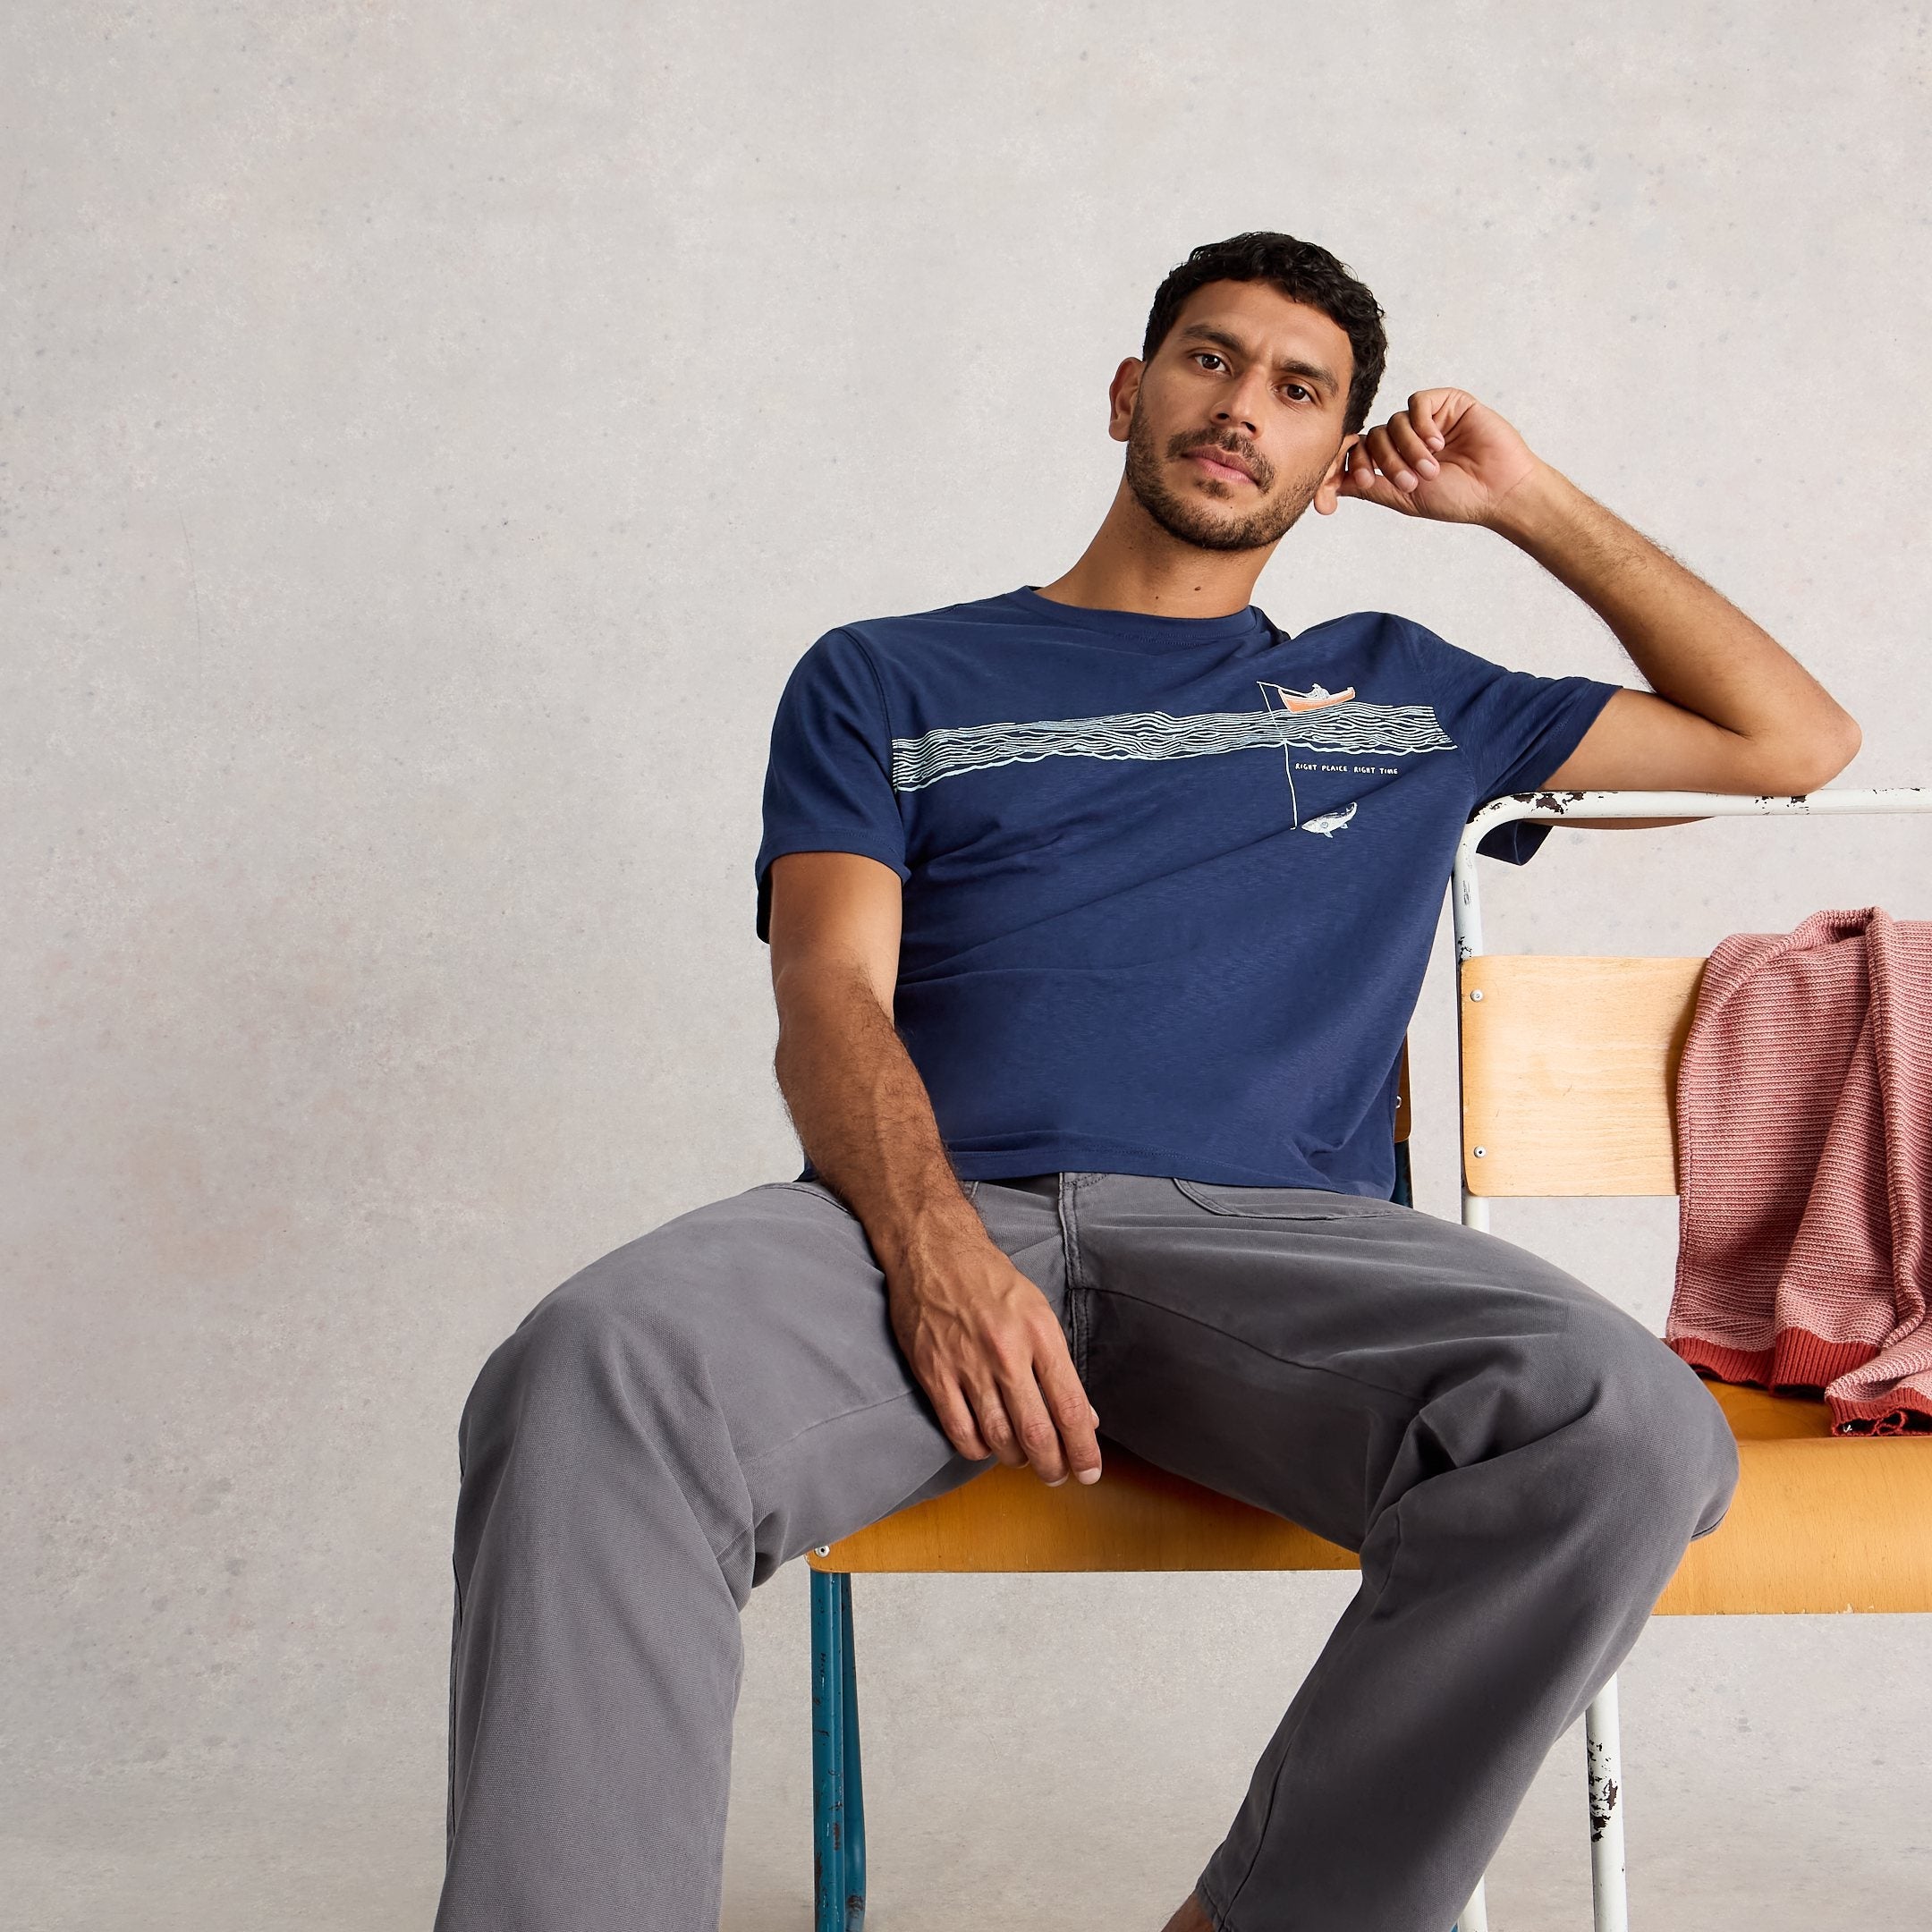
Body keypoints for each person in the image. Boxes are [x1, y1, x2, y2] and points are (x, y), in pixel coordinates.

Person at [434, 233, 1860, 1932]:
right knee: (595, 1370)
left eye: (1299, 391)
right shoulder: (889, 675)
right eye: (1209, 358)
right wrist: (932, 1247)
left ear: (1339, 465)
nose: (1241, 406)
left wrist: (1526, 500)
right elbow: (827, 989)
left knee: (1622, 1431)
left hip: (1277, 1250)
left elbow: (1795, 739)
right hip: (919, 1226)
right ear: (1132, 391)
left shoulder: (1411, 692)